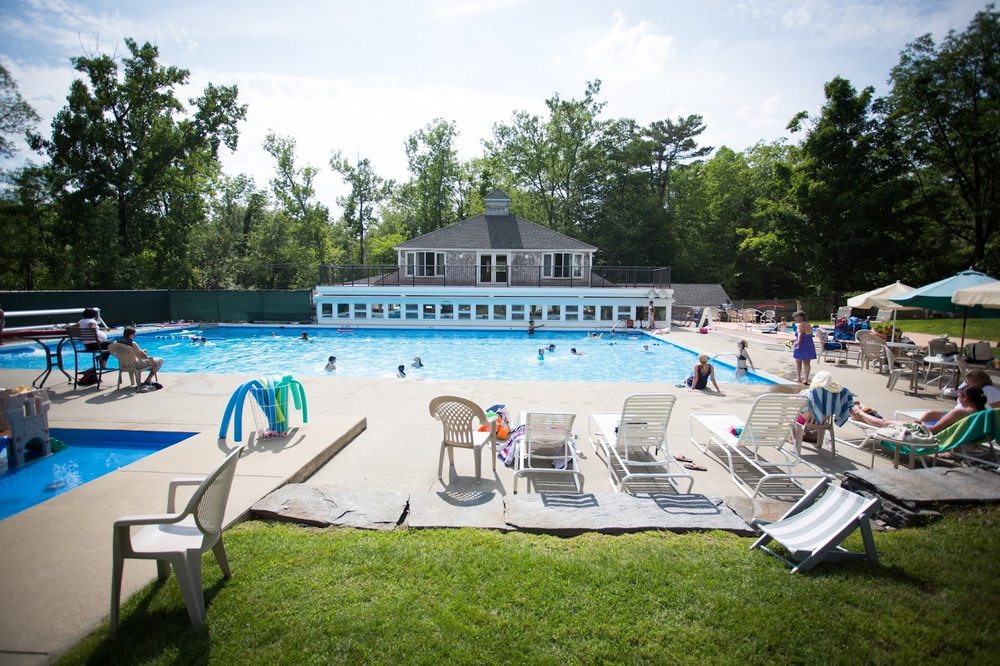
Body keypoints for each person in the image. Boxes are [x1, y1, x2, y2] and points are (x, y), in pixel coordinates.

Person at [850, 386, 987, 433]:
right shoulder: (980, 412)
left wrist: (919, 426)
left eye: (960, 396)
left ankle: (858, 411)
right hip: (930, 429)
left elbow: (934, 430)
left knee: (885, 423)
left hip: (926, 433)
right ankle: (861, 413)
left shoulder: (959, 412)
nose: (958, 398)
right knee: (885, 421)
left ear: (967, 398)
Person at [918, 370, 1000, 423]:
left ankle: (923, 431)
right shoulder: (969, 389)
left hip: (970, 419)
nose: (966, 383)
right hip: (957, 415)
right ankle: (920, 428)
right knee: (930, 414)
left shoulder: (989, 390)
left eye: (968, 381)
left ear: (978, 381)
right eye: (966, 381)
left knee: (930, 418)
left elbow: (997, 412)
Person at [791, 310, 816, 384]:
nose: (795, 319)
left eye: (796, 317)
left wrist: (798, 342)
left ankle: (798, 378)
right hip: (809, 345)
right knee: (807, 363)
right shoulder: (808, 325)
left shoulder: (800, 325)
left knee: (798, 362)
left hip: (801, 345)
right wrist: (794, 340)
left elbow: (800, 335)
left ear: (800, 317)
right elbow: (808, 336)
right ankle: (806, 379)